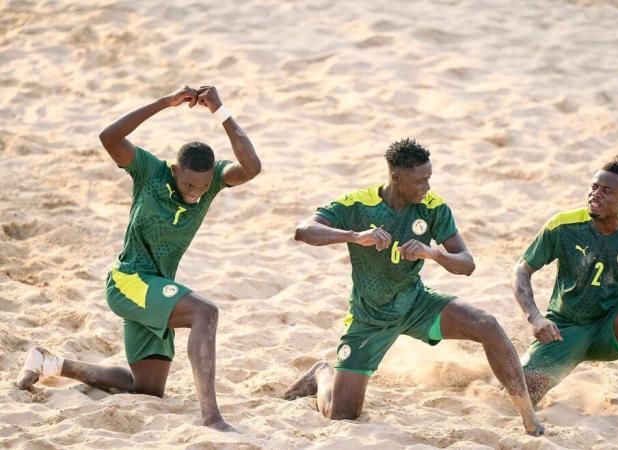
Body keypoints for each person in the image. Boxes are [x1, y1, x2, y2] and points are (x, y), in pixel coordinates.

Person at [17, 85, 261, 432]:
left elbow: (252, 167)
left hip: (158, 287)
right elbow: (108, 137)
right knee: (206, 313)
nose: (196, 195)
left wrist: (220, 111)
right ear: (176, 170)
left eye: (203, 188)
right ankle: (212, 416)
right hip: (129, 279)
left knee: (145, 388)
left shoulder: (211, 182)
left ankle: (50, 363)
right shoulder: (150, 172)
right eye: (190, 186)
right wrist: (165, 102)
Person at [283, 138, 544, 436]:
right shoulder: (358, 204)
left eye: (429, 178)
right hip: (369, 317)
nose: (427, 187)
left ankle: (527, 415)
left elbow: (467, 264)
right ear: (396, 178)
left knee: (487, 324)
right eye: (420, 181)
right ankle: (321, 374)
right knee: (342, 415)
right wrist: (355, 236)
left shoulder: (433, 208)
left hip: (416, 304)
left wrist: (433, 253)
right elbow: (304, 231)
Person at [513, 152, 618, 426]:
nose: (595, 194)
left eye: (606, 191)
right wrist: (535, 317)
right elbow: (522, 271)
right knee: (517, 394)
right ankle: (518, 365)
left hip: (609, 327)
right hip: (564, 328)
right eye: (593, 187)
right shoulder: (563, 225)